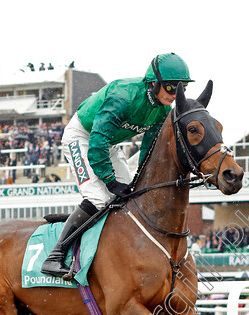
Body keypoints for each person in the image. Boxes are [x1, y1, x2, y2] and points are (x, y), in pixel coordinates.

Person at [40, 52, 193, 278]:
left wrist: (138, 178)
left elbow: (148, 149)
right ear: (154, 83)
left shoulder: (162, 110)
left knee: (130, 197)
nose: (175, 95)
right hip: (83, 136)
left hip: (108, 143)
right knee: (99, 198)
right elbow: (97, 141)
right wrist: (111, 181)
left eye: (181, 89)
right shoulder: (123, 97)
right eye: (171, 88)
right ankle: (55, 255)